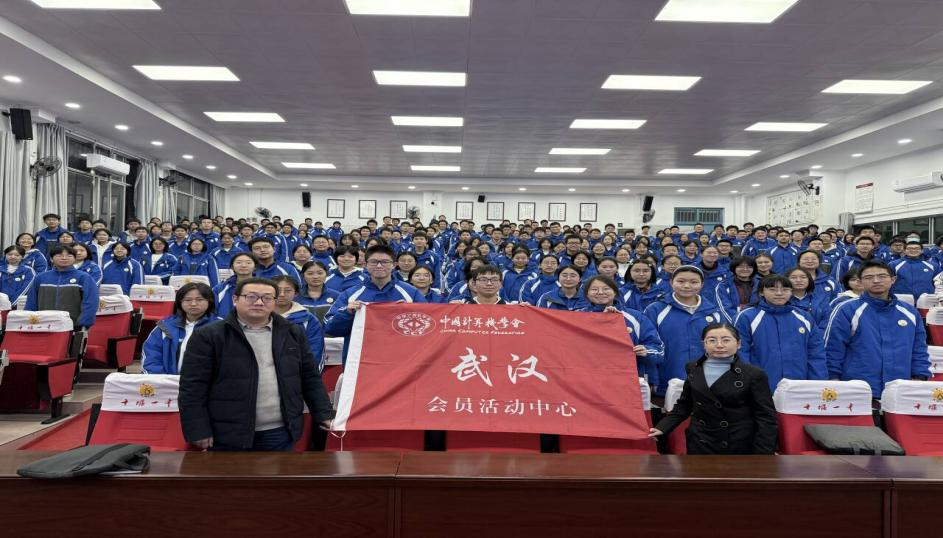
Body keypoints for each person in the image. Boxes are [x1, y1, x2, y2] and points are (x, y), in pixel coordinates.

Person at [179, 277, 334, 451]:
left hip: (280, 431)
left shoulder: (292, 332)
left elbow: (310, 377)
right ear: (235, 299)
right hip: (226, 432)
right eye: (251, 296)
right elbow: (193, 387)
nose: (259, 302)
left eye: (267, 298)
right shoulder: (208, 335)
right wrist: (198, 429)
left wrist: (323, 414)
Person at [649, 323, 778, 455]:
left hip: (738, 444)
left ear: (738, 344)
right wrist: (662, 427)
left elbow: (766, 418)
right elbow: (684, 405)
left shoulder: (754, 374)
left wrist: (763, 454)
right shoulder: (693, 368)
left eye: (726, 340)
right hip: (701, 442)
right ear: (704, 344)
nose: (719, 345)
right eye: (712, 340)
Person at [824, 260, 931, 397]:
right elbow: (833, 347)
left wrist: (920, 376)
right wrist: (833, 378)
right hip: (857, 388)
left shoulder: (910, 312)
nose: (876, 281)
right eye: (869, 277)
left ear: (893, 280)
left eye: (882, 276)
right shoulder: (846, 309)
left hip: (900, 388)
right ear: (860, 282)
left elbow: (919, 348)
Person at [324, 244, 426, 363]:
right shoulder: (351, 294)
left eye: (385, 262)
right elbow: (330, 328)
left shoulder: (410, 293)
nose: (379, 266)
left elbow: (429, 326)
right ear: (365, 264)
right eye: (373, 262)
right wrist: (347, 312)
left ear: (394, 265)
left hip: (401, 359)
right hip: (359, 360)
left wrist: (411, 312)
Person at [734, 275, 827, 390]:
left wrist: (818, 384)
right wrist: (747, 383)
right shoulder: (746, 317)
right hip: (760, 386)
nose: (779, 293)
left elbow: (816, 353)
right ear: (761, 292)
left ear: (791, 292)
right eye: (772, 289)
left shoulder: (804, 317)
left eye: (785, 289)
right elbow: (740, 352)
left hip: (798, 385)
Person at [644, 266, 725, 396]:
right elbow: (648, 345)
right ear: (671, 282)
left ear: (702, 284)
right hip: (667, 380)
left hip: (706, 382)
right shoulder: (655, 310)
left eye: (694, 282)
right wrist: (652, 379)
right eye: (681, 281)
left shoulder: (714, 312)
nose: (687, 286)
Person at [581, 275, 665, 383]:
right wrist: (601, 320)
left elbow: (659, 349)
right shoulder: (577, 316)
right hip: (586, 378)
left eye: (606, 288)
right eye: (594, 289)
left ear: (615, 292)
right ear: (587, 294)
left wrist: (646, 351)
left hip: (629, 380)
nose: (600, 292)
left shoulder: (636, 317)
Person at [141, 283, 221, 375]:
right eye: (188, 300)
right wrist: (162, 379)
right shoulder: (165, 326)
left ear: (209, 301)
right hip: (167, 381)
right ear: (180, 302)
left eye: (199, 299)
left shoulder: (220, 327)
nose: (193, 304)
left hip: (207, 382)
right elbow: (151, 355)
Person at [26, 245, 98, 329]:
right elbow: (31, 301)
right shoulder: (41, 277)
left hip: (74, 326)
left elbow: (91, 302)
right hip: (43, 325)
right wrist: (29, 320)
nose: (64, 258)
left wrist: (83, 323)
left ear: (75, 259)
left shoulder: (84, 277)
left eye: (69, 255)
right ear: (51, 259)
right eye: (59, 255)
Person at [271, 276, 325, 372]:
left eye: (288, 291)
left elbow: (316, 350)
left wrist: (310, 376)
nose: (282, 294)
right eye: (277, 290)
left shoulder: (308, 319)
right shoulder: (257, 316)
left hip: (296, 373)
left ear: (295, 293)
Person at [214, 252, 258, 317]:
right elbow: (211, 311)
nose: (243, 265)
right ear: (232, 267)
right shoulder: (220, 289)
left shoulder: (264, 287)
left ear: (255, 267)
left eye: (248, 263)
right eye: (238, 262)